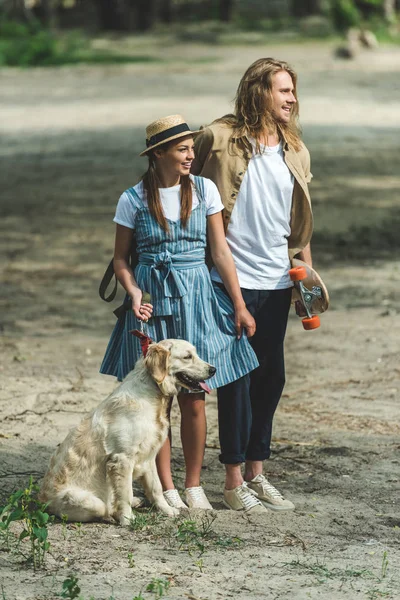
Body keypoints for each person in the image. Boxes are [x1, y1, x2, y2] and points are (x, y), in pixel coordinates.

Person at [100, 115, 259, 512]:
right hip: (153, 302)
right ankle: (165, 487)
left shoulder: (205, 190)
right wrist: (134, 292)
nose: (191, 155)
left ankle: (193, 486)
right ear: (158, 154)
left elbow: (221, 253)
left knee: (195, 397)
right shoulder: (132, 199)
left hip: (196, 299)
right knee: (156, 398)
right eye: (182, 149)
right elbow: (120, 260)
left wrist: (238, 304)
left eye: (191, 148)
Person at [192, 58, 313, 513]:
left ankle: (258, 472)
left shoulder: (295, 149)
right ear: (258, 91)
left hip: (278, 279)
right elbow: (185, 191)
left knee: (271, 376)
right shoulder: (217, 138)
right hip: (229, 280)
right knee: (237, 380)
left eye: (293, 91)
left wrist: (306, 278)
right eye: (283, 90)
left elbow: (299, 226)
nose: (292, 99)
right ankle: (232, 479)